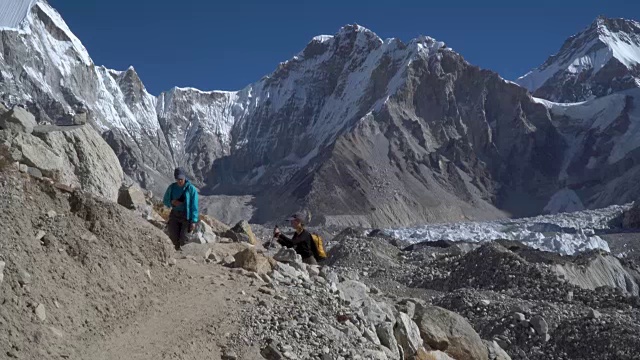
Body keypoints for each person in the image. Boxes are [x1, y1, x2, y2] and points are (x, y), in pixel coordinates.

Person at [163, 168, 199, 251]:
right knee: (173, 237)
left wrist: (193, 221)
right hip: (174, 215)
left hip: (186, 217)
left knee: (184, 239)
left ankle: (184, 257)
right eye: (178, 179)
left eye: (181, 179)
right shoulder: (172, 187)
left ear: (185, 178)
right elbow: (165, 200)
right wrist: (172, 202)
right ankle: (175, 257)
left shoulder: (191, 189)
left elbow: (194, 206)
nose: (179, 181)